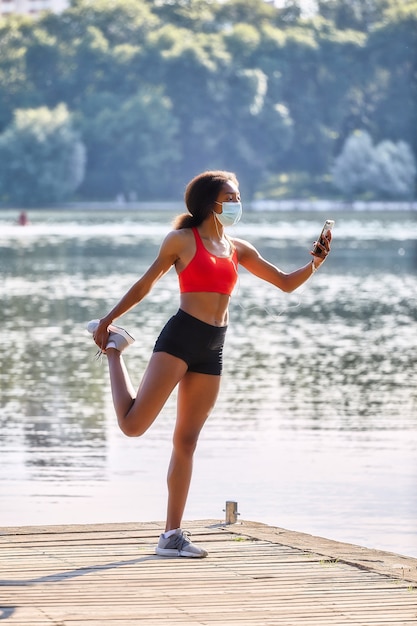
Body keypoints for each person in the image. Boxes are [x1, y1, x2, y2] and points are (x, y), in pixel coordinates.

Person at [87, 170, 331, 558]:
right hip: (180, 338)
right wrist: (107, 320)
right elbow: (145, 284)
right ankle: (116, 350)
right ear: (209, 203)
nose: (236, 203)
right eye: (230, 197)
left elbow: (285, 283)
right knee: (133, 426)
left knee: (186, 441)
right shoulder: (181, 240)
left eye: (238, 197)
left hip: (213, 347)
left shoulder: (239, 248)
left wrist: (315, 262)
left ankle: (171, 536)